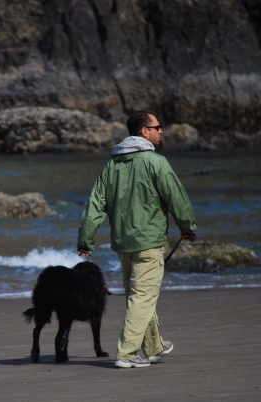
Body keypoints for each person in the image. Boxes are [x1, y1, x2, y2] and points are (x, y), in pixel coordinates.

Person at [76, 111, 196, 369]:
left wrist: (85, 241)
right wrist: (187, 227)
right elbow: (177, 197)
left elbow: (94, 205)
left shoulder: (111, 165)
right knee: (142, 297)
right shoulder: (156, 161)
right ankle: (127, 354)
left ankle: (154, 348)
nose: (161, 131)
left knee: (139, 295)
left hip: (123, 244)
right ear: (144, 131)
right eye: (157, 127)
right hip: (149, 242)